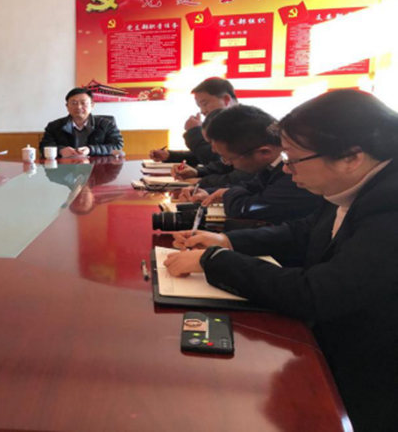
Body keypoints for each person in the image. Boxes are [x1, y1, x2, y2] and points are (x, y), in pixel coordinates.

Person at [164, 89, 398, 431]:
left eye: (294, 159)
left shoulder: (390, 206)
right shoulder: (352, 186)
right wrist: (227, 240)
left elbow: (316, 293)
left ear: (351, 157)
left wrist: (214, 260)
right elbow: (305, 231)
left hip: (373, 377)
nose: (286, 169)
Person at [178, 104, 322, 225]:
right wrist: (209, 193)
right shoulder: (271, 164)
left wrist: (226, 194)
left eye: (229, 159)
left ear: (264, 153)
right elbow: (250, 186)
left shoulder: (295, 174)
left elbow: (251, 209)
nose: (228, 164)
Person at [149, 77, 238, 165]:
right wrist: (170, 156)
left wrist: (194, 132)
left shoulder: (242, 124)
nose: (202, 111)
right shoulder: (226, 124)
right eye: (200, 106)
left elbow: (216, 161)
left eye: (205, 104)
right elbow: (205, 155)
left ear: (226, 99)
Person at [40, 88, 123, 158]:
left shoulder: (106, 124)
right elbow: (44, 147)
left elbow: (117, 146)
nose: (79, 107)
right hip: (66, 169)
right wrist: (60, 151)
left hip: (97, 169)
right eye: (74, 103)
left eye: (83, 103)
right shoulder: (54, 126)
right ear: (67, 106)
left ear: (92, 105)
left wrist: (91, 150)